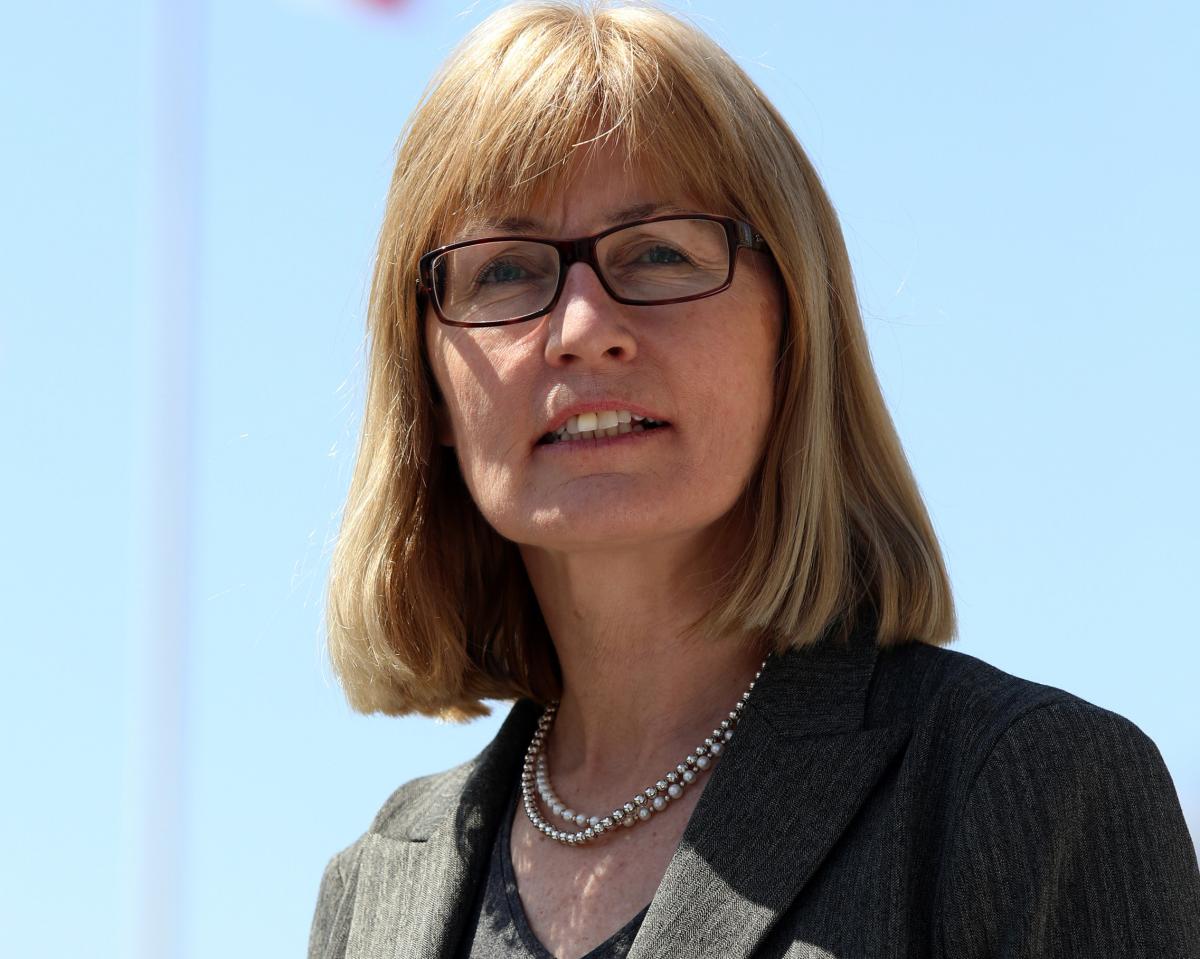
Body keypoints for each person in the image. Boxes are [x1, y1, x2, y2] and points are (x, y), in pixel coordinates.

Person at [307, 3, 1200, 957]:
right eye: (504, 272)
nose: (579, 325)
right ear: (431, 388)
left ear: (794, 332)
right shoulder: (371, 887)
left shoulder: (1031, 792)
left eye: (657, 252)